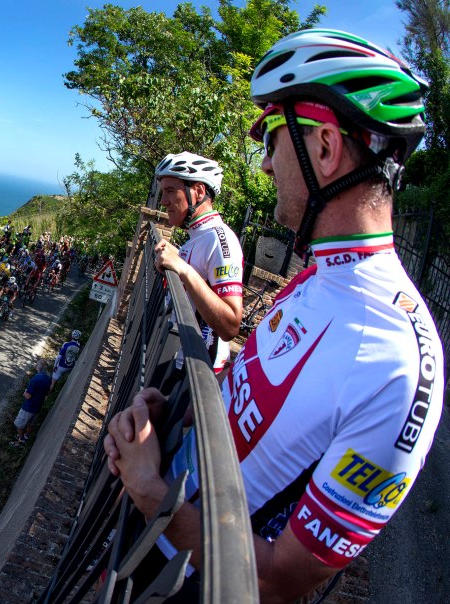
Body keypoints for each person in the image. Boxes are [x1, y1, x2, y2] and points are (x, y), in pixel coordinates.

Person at [103, 28, 444, 602]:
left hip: (189, 579)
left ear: (325, 148)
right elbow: (249, 395)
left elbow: (281, 580)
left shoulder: (397, 362)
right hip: (154, 534)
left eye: (271, 140)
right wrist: (176, 412)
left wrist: (148, 488)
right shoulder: (319, 278)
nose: (262, 166)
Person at [153, 151, 243, 378]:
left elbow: (231, 324)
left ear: (199, 191)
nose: (164, 201)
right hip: (178, 358)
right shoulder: (198, 236)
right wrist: (178, 259)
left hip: (195, 373)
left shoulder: (220, 240)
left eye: (170, 191)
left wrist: (183, 269)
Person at [10, 359, 52, 448]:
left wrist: (25, 393)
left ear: (38, 367)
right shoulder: (48, 378)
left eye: (36, 364)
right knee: (30, 423)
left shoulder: (35, 379)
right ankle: (27, 435)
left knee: (18, 424)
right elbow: (47, 392)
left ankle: (21, 441)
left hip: (28, 407)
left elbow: (28, 396)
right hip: (38, 406)